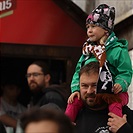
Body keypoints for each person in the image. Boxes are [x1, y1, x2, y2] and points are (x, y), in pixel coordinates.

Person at [65, 4, 132, 122]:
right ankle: (65, 125)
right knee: (73, 101)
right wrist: (76, 89)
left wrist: (120, 84)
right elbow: (78, 72)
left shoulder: (118, 50)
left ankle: (115, 126)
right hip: (93, 93)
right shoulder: (87, 50)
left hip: (113, 92)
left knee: (114, 105)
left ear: (106, 30)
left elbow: (125, 71)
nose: (89, 30)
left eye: (94, 26)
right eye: (87, 27)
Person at [75, 62, 133, 133]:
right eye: (84, 86)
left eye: (95, 85)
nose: (89, 91)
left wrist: (124, 130)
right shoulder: (72, 118)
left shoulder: (125, 116)